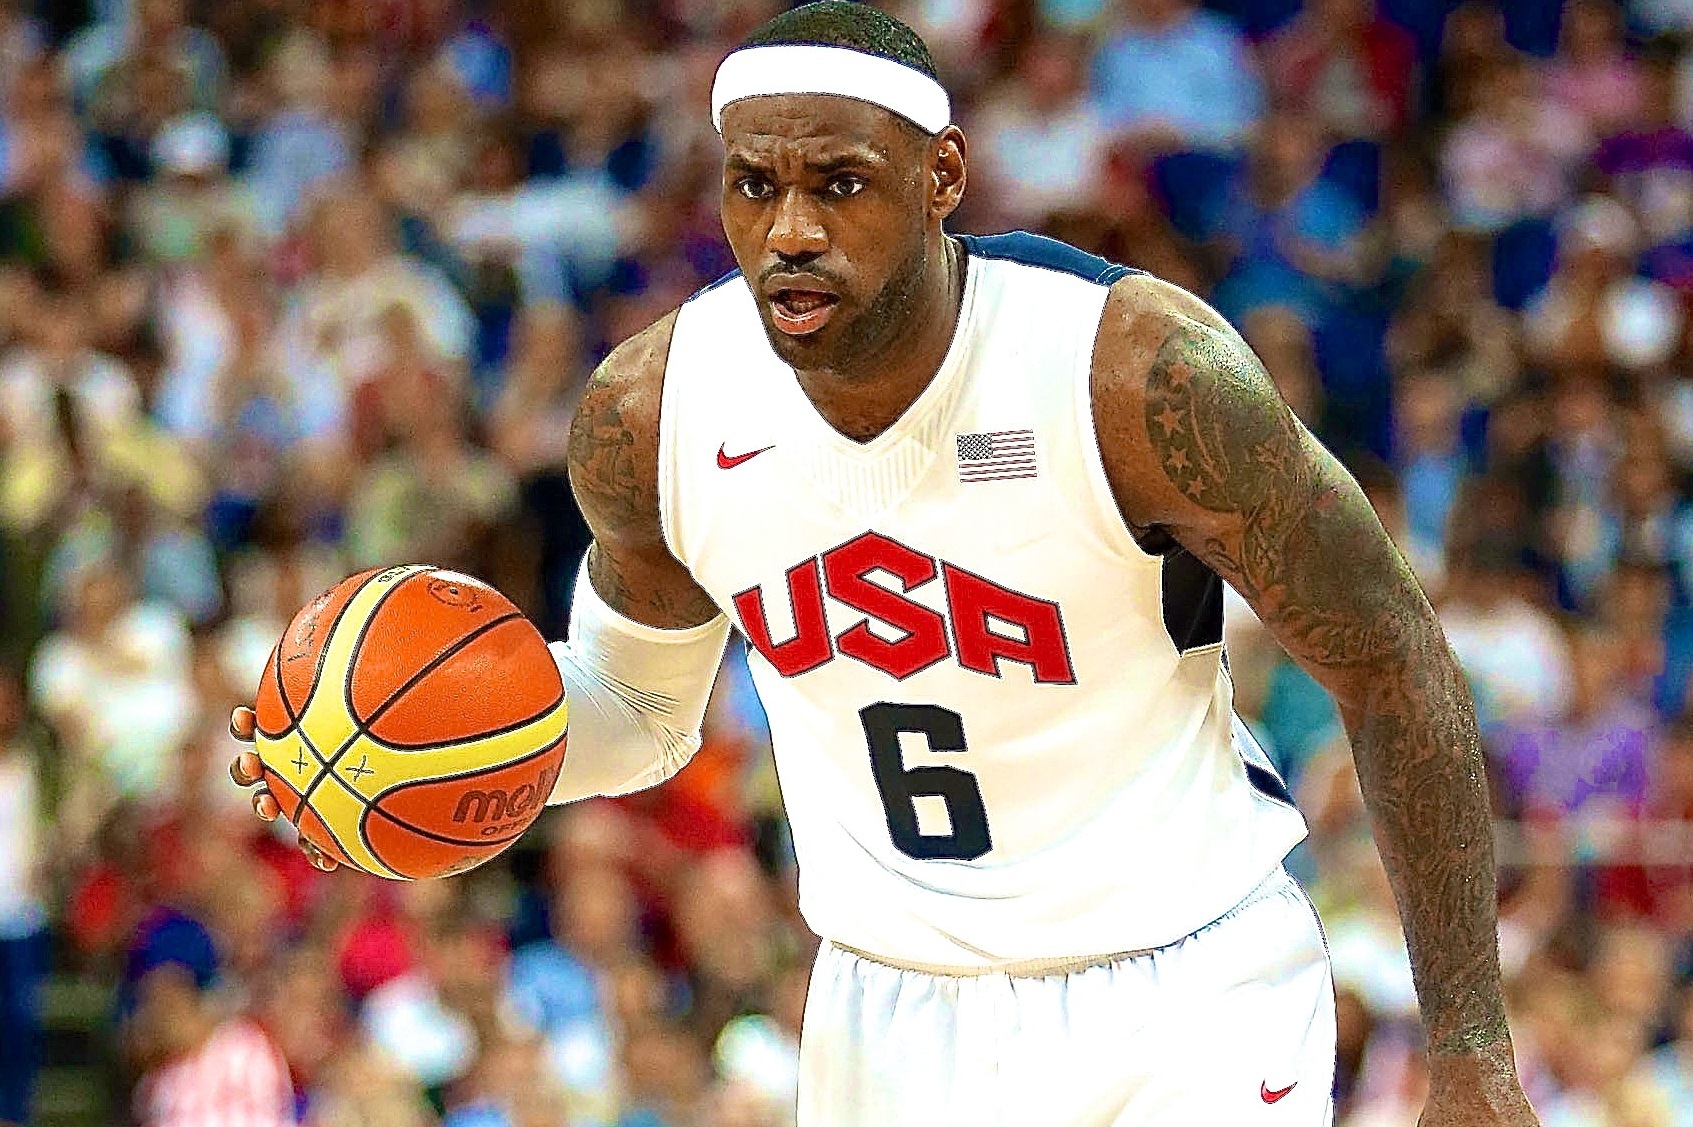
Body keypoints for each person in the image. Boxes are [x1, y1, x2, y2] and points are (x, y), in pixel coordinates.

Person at [234, 4, 1540, 1124]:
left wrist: (1472, 1047)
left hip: (1187, 980)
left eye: (839, 183)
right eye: (754, 186)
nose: (790, 229)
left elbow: (1391, 662)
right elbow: (636, 710)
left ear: (941, 176)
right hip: (886, 1007)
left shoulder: (1135, 378)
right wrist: (402, 758)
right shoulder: (654, 414)